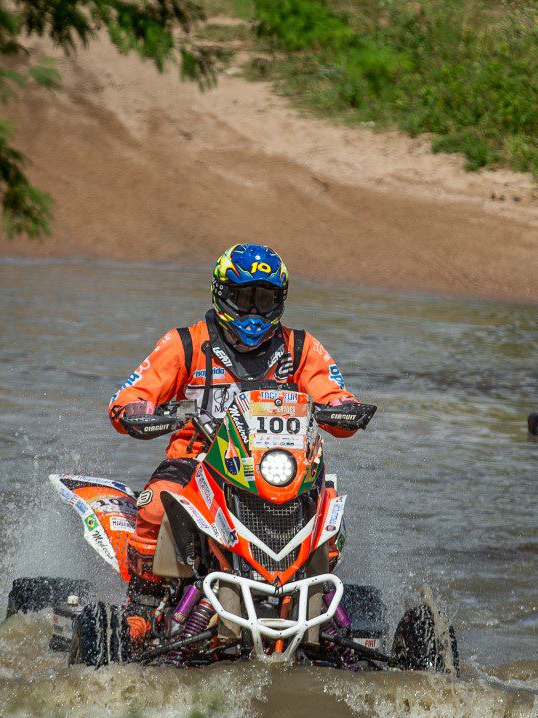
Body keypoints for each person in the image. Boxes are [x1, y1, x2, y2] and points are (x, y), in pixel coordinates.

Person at [107, 243, 367, 593]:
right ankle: (141, 607)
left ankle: (320, 603)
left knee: (330, 512)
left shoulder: (300, 346)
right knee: (156, 505)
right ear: (223, 295)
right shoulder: (184, 343)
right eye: (245, 299)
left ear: (280, 300)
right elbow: (129, 398)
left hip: (279, 469)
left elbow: (332, 392)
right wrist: (139, 411)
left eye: (265, 299)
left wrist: (343, 407)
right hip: (198, 460)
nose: (254, 312)